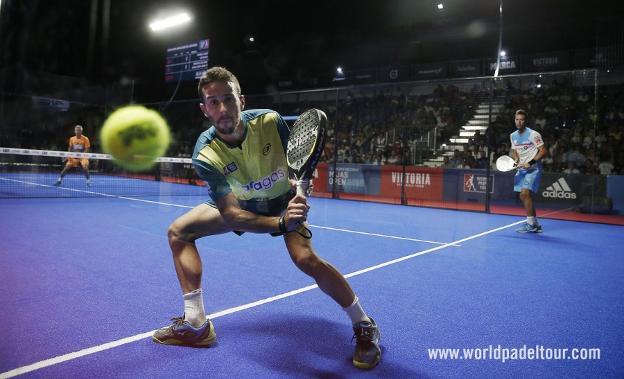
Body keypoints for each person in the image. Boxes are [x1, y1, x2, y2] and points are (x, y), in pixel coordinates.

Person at [152, 67, 381, 369]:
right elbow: (233, 215)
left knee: (305, 259)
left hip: (283, 201)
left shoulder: (270, 122)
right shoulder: (205, 153)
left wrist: (300, 194)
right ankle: (196, 324)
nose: (222, 108)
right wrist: (280, 224)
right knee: (178, 232)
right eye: (213, 101)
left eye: (228, 98)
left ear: (242, 100)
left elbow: (298, 164)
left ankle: (364, 325)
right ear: (204, 109)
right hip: (244, 206)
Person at [510, 109, 547, 233]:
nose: (519, 122)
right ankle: (535, 224)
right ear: (514, 120)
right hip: (521, 170)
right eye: (517, 119)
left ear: (525, 121)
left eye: (521, 120)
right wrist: (516, 159)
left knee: (524, 194)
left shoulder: (533, 134)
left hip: (533, 170)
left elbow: (543, 150)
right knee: (525, 197)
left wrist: (530, 163)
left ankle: (530, 224)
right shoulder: (513, 135)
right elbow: (514, 150)